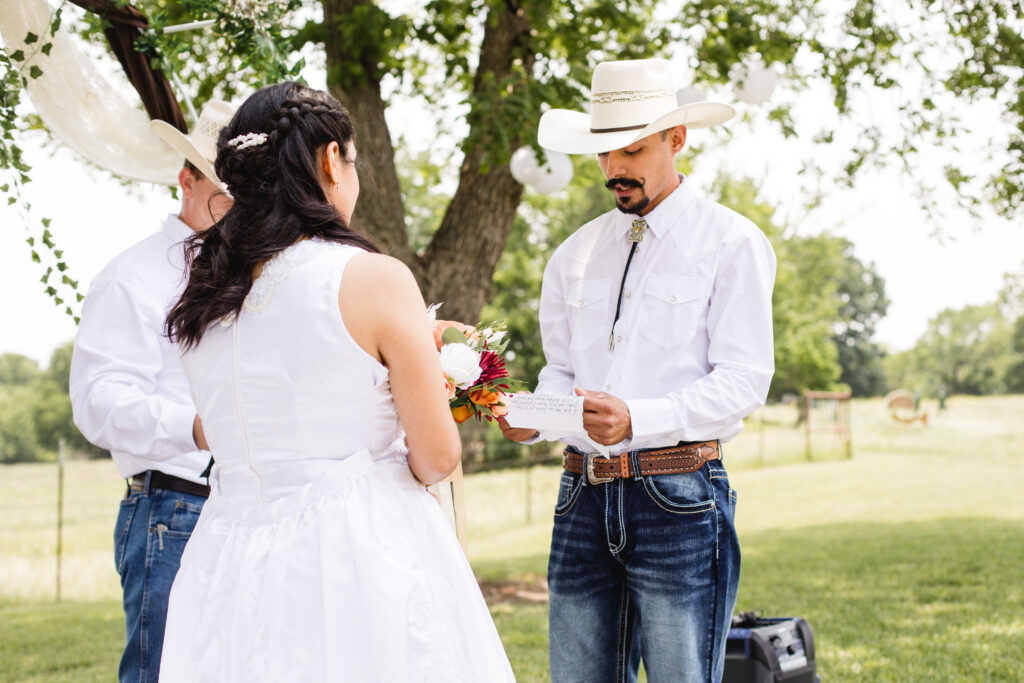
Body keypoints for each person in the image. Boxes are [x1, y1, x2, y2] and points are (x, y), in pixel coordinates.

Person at [158, 81, 514, 682]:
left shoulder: (203, 298)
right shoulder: (372, 277)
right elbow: (435, 457)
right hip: (356, 555)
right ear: (329, 160)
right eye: (352, 159)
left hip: (227, 555)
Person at [500, 58, 777, 683]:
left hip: (677, 495)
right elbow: (559, 371)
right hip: (580, 496)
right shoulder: (572, 254)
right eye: (605, 153)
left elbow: (744, 379)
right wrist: (534, 420)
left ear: (676, 140)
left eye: (632, 149)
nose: (615, 169)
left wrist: (638, 418)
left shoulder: (731, 242)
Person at [68, 100, 234, 683]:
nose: (240, 200)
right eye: (225, 183)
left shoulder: (259, 275)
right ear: (187, 177)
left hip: (254, 506)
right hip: (174, 507)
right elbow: (97, 401)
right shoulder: (132, 277)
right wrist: (197, 425)